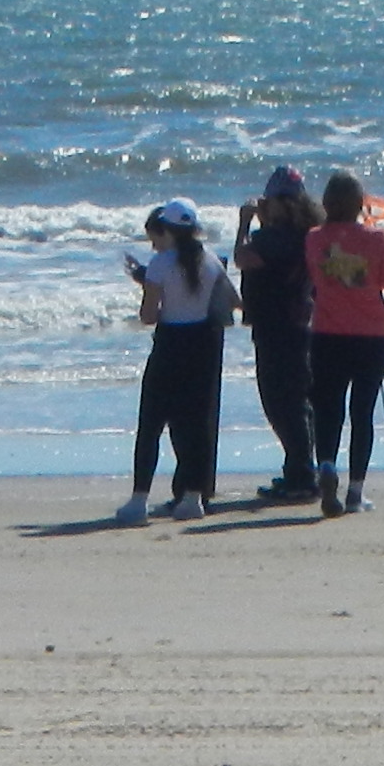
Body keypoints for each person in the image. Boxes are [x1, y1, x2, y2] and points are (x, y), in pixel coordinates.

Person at [300, 171, 384, 516]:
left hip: (327, 334)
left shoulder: (314, 240)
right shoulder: (377, 240)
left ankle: (326, 464)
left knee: (328, 408)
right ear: (360, 204)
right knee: (362, 413)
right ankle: (355, 491)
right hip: (372, 336)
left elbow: (313, 282)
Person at [116, 199, 229, 524]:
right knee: (195, 423)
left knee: (151, 423)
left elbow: (148, 315)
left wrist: (156, 292)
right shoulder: (211, 260)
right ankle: (193, 498)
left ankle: (139, 499)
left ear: (168, 229)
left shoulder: (160, 263)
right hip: (202, 344)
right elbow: (231, 300)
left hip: (170, 344)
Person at [232, 167, 321, 502]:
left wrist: (244, 224)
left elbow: (243, 258)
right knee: (297, 401)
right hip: (299, 324)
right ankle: (299, 470)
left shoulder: (274, 238)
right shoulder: (307, 234)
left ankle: (302, 475)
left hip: (276, 326)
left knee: (280, 402)